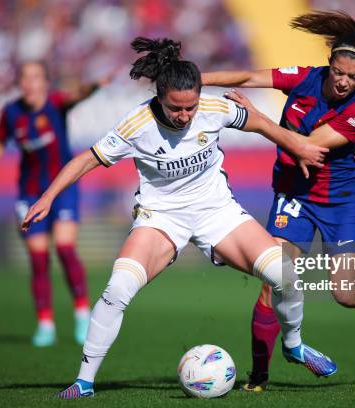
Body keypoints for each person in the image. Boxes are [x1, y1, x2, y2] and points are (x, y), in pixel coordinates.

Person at [21, 37, 335, 399]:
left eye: (191, 107)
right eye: (176, 109)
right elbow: (87, 159)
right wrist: (47, 197)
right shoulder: (136, 123)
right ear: (160, 97)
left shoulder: (214, 108)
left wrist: (296, 145)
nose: (185, 116)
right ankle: (84, 382)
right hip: (161, 218)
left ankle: (294, 346)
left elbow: (258, 123)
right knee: (117, 289)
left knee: (284, 273)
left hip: (217, 212)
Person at [202, 10, 355, 391]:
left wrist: (257, 118)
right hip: (295, 193)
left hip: (339, 201)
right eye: (339, 72)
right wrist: (196, 81)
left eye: (354, 76)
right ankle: (258, 376)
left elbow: (308, 145)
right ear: (329, 64)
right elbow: (250, 76)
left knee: (344, 293)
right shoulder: (305, 77)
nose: (344, 82)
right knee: (273, 277)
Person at [0, 61, 113, 347]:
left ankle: (81, 314)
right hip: (29, 193)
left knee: (64, 247)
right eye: (25, 78)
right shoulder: (11, 113)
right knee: (38, 259)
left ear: (44, 82)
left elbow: (78, 95)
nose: (30, 83)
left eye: (36, 77)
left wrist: (95, 86)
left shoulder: (56, 103)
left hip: (62, 189)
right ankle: (45, 323)